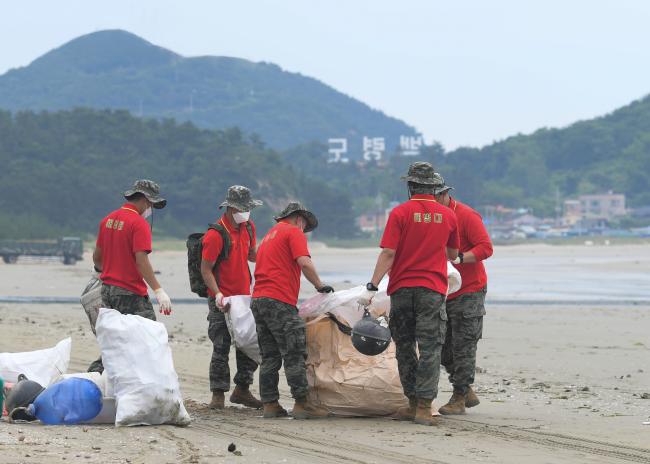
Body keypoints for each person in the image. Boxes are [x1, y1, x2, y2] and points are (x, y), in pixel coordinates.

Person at [357, 162, 459, 426]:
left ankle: (412, 402)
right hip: (433, 290)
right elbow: (451, 254)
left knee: (404, 346)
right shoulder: (448, 216)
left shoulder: (400, 213)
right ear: (434, 187)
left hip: (402, 289)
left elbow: (388, 253)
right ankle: (425, 407)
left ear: (411, 186)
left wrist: (372, 285)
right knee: (430, 348)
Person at [250, 202, 334, 419]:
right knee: (294, 351)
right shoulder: (293, 232)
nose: (304, 229)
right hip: (279, 300)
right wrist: (319, 285)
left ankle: (270, 404)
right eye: (304, 225)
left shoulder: (270, 235)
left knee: (269, 355)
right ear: (299, 219)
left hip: (259, 300)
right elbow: (304, 262)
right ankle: (302, 403)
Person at [89, 179, 173, 373]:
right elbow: (141, 260)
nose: (150, 208)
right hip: (130, 292)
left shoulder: (108, 220)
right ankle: (140, 380)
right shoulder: (138, 223)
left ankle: (97, 375)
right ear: (144, 200)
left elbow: (97, 257)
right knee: (149, 337)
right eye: (151, 204)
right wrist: (159, 290)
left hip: (107, 291)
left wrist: (105, 271)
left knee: (116, 339)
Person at [431, 174, 493, 415]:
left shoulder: (466, 215)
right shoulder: (430, 218)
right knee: (441, 343)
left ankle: (459, 395)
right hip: (440, 289)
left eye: (436, 197)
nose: (433, 202)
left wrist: (459, 259)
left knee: (464, 343)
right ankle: (465, 389)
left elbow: (486, 248)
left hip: (470, 288)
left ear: (446, 195)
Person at [201, 185, 263, 410]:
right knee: (221, 344)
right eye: (243, 209)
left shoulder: (248, 227)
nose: (246, 213)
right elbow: (206, 269)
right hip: (222, 298)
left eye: (248, 209)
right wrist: (217, 294)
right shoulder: (216, 235)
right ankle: (218, 394)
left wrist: (271, 257)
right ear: (230, 207)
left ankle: (242, 389)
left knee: (249, 342)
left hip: (244, 296)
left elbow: (252, 254)